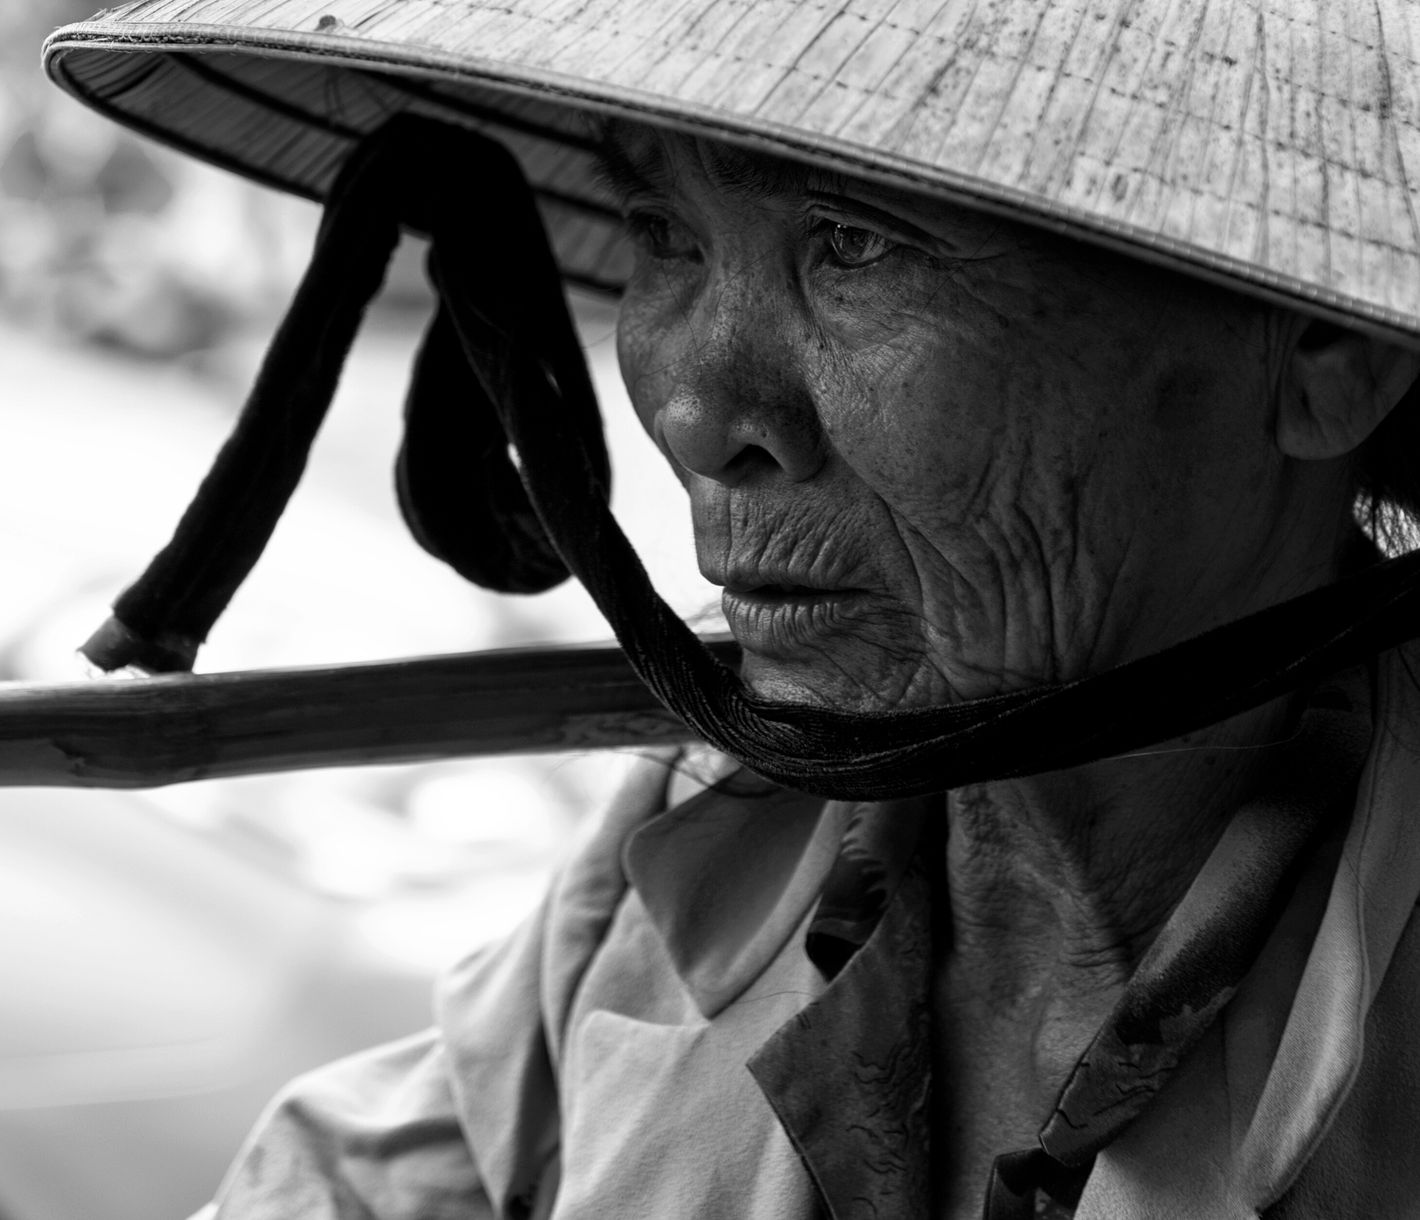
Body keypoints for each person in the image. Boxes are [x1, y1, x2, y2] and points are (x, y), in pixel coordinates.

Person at [40, 2, 1420, 1216]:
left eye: (853, 244)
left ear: (1322, 349)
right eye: (666, 235)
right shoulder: (724, 837)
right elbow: (399, 1168)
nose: (696, 414)